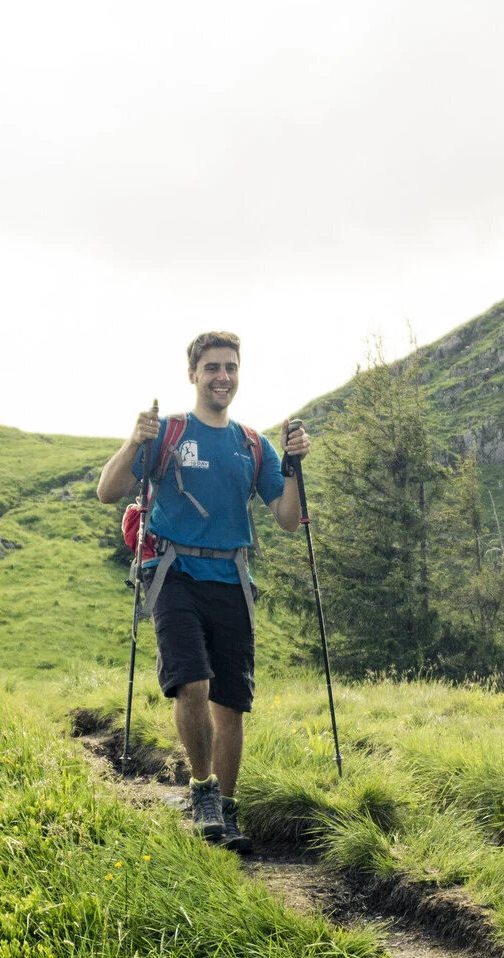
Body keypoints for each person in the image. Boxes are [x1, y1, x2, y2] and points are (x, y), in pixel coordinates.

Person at [97, 331, 311, 853]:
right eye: (212, 367)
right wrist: (133, 441)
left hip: (232, 578)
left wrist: (291, 465)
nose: (222, 376)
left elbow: (286, 519)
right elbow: (108, 491)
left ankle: (227, 811)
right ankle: (203, 792)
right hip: (175, 574)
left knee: (231, 702)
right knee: (191, 683)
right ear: (193, 374)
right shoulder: (169, 431)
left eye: (231, 367)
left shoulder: (251, 444)